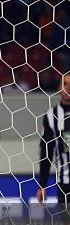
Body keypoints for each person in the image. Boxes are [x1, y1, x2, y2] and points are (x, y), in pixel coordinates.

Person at [38, 72, 70, 206]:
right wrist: (42, 185)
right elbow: (47, 152)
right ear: (58, 88)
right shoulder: (51, 116)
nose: (69, 88)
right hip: (65, 182)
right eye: (65, 84)